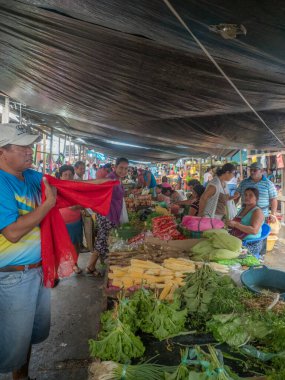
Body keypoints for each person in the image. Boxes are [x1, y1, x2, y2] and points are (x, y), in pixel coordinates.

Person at [0, 123, 57, 379]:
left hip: (37, 272)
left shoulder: (32, 177)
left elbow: (66, 186)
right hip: (12, 277)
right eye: (23, 146)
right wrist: (48, 205)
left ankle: (22, 377)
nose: (30, 151)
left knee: (26, 338)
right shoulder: (2, 183)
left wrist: (105, 185)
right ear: (3, 151)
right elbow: (12, 233)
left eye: (31, 146)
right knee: (11, 342)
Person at [86, 157, 129, 276]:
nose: (123, 171)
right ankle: (90, 266)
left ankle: (94, 265)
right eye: (121, 168)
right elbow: (97, 192)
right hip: (107, 215)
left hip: (113, 213)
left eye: (126, 169)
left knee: (104, 240)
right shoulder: (110, 179)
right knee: (102, 239)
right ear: (115, 167)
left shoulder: (117, 179)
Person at [58, 165, 83, 274]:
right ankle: (57, 269)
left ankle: (75, 264)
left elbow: (83, 203)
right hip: (60, 222)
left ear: (73, 176)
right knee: (60, 246)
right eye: (65, 175)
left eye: (70, 175)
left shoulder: (77, 187)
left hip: (75, 221)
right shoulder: (56, 188)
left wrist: (77, 206)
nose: (68, 177)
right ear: (60, 176)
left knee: (75, 245)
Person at [227, 188, 264, 256]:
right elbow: (236, 223)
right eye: (245, 195)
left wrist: (235, 224)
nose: (247, 197)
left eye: (250, 195)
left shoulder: (257, 212)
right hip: (238, 240)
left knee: (227, 252)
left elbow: (254, 230)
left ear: (256, 198)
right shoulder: (242, 209)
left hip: (251, 244)